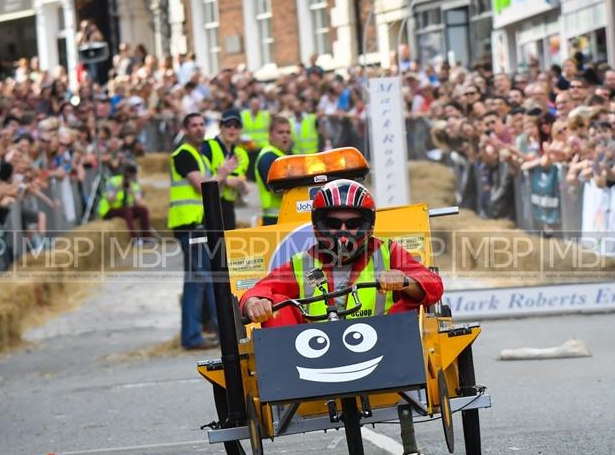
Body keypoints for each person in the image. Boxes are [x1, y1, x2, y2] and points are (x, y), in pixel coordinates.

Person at [241, 179, 444, 326]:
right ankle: (281, 382)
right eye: (333, 223)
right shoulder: (303, 262)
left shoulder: (387, 251)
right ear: (320, 225)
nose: (343, 230)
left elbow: (433, 284)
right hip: (314, 358)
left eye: (353, 223)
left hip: (386, 352)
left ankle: (410, 387)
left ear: (367, 225)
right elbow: (257, 290)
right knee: (276, 304)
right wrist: (255, 302)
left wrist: (405, 280)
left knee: (410, 304)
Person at [170, 112, 233, 350]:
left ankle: (213, 330)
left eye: (200, 125)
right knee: (198, 281)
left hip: (198, 225)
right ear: (185, 130)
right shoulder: (184, 155)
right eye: (193, 125)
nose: (198, 129)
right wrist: (224, 173)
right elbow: (202, 187)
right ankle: (193, 336)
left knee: (203, 280)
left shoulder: (199, 156)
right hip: (189, 225)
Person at [200, 108, 249, 230]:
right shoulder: (208, 147)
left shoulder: (242, 153)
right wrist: (227, 181)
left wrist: (241, 186)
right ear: (220, 126)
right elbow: (201, 180)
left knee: (228, 247)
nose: (232, 129)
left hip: (229, 208)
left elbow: (243, 187)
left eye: (236, 125)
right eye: (228, 125)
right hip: (209, 206)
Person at [97, 163, 151, 242]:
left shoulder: (134, 185)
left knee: (143, 210)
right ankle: (134, 239)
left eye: (133, 177)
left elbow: (139, 202)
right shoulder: (113, 181)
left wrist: (131, 192)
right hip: (109, 209)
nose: (131, 179)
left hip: (123, 208)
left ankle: (147, 238)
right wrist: (118, 188)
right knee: (127, 211)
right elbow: (110, 200)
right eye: (130, 177)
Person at [254, 116, 292, 225]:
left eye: (288, 132)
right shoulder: (268, 157)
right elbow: (278, 190)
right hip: (274, 219)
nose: (285, 135)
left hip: (285, 216)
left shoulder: (282, 156)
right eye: (280, 132)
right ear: (270, 135)